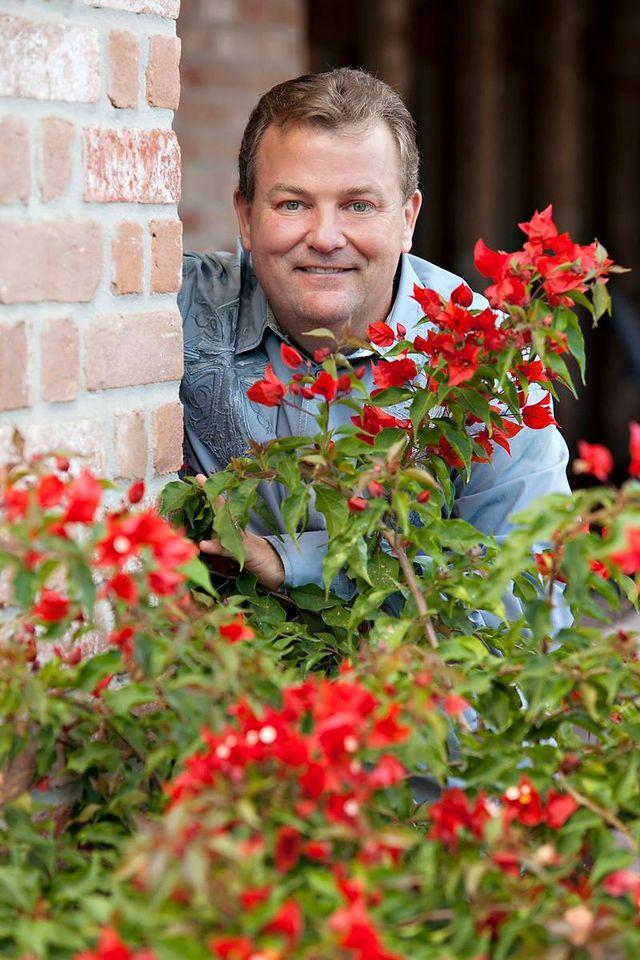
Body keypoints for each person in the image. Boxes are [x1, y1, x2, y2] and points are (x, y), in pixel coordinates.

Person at [178, 68, 570, 602]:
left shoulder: (484, 359)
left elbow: (527, 584)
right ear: (245, 217)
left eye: (358, 205)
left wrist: (294, 561)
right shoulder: (175, 308)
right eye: (292, 204)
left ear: (408, 219)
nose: (325, 237)